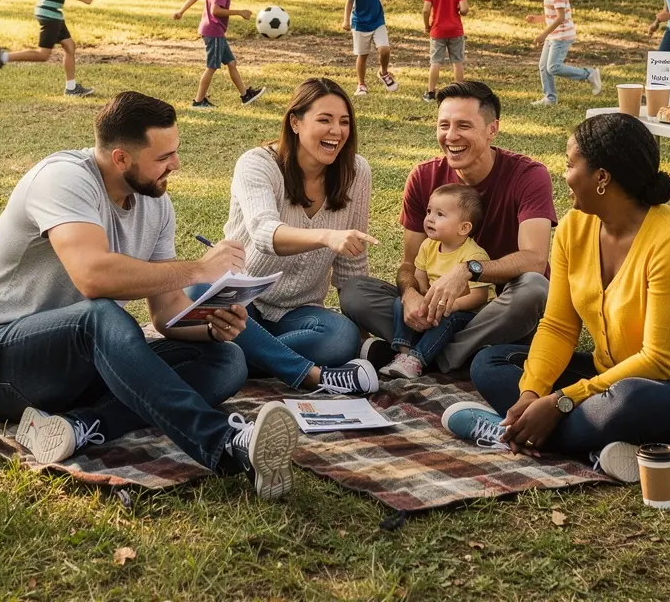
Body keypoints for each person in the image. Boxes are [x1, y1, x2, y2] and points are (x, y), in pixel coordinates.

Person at [0, 91, 299, 501]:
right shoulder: (62, 179)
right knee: (99, 314)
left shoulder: (156, 203)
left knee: (226, 361)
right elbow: (92, 277)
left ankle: (80, 426)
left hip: (80, 368)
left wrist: (210, 325)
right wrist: (199, 269)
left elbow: (166, 313)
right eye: (164, 156)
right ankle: (225, 444)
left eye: (176, 151)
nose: (176, 164)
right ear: (120, 158)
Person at [443, 113, 670, 484]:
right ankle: (592, 444)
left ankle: (509, 431)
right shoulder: (574, 227)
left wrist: (562, 400)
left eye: (570, 165)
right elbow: (558, 326)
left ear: (602, 177)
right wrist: (532, 392)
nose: (563, 174)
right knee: (490, 362)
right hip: (608, 378)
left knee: (627, 400)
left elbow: (659, 361)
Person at [340, 80, 558, 373]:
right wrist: (410, 294)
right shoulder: (423, 177)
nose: (451, 136)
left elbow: (535, 260)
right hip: (437, 312)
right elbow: (409, 263)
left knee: (534, 288)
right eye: (444, 125)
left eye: (463, 126)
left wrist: (467, 270)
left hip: (496, 312)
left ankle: (427, 353)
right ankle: (455, 355)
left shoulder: (529, 175)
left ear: (492, 129)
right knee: (355, 292)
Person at [224, 77, 379, 395]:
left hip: (297, 312)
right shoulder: (257, 164)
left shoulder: (356, 172)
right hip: (242, 301)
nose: (337, 131)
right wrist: (326, 236)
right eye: (324, 120)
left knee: (341, 337)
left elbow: (352, 265)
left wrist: (360, 335)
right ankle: (306, 372)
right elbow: (264, 233)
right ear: (295, 122)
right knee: (200, 293)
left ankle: (241, 354)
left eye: (344, 122)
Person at [379, 184, 490, 379]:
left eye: (440, 214)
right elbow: (420, 277)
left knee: (447, 317)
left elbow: (479, 296)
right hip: (434, 305)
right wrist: (419, 299)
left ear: (464, 228)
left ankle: (418, 359)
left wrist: (451, 306)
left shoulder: (474, 255)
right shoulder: (428, 246)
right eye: (429, 211)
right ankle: (404, 353)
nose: (430, 218)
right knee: (401, 301)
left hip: (465, 313)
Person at [173, 0, 264, 109]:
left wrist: (181, 11)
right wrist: (240, 12)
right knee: (212, 67)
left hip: (213, 32)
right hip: (213, 33)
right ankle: (198, 101)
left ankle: (245, 96)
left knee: (231, 63)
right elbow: (215, 10)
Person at [528, 0, 601, 106]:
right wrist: (537, 18)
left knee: (553, 67)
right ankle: (550, 98)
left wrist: (543, 34)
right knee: (544, 66)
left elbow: (561, 17)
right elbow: (553, 15)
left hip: (562, 36)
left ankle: (589, 74)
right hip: (554, 35)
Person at [343, 0, 396, 96]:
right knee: (363, 55)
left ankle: (384, 73)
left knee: (385, 50)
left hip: (377, 20)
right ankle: (361, 85)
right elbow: (350, 1)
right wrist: (346, 20)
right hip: (360, 23)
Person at [422, 0, 469, 103]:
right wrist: (460, 11)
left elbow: (426, 10)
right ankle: (460, 92)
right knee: (457, 62)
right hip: (455, 30)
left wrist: (427, 25)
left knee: (435, 62)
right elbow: (464, 9)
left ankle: (430, 92)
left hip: (437, 31)